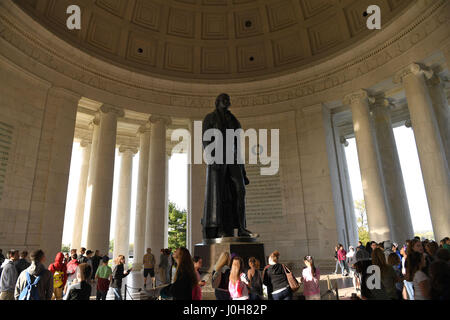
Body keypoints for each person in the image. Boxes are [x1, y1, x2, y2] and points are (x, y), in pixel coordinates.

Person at [201, 93, 254, 239]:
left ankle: (242, 228)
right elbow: (205, 140)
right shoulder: (210, 118)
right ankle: (221, 229)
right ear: (217, 102)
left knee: (240, 190)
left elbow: (238, 145)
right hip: (218, 158)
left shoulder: (233, 120)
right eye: (224, 100)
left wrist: (243, 171)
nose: (227, 102)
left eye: (228, 100)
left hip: (233, 158)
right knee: (219, 194)